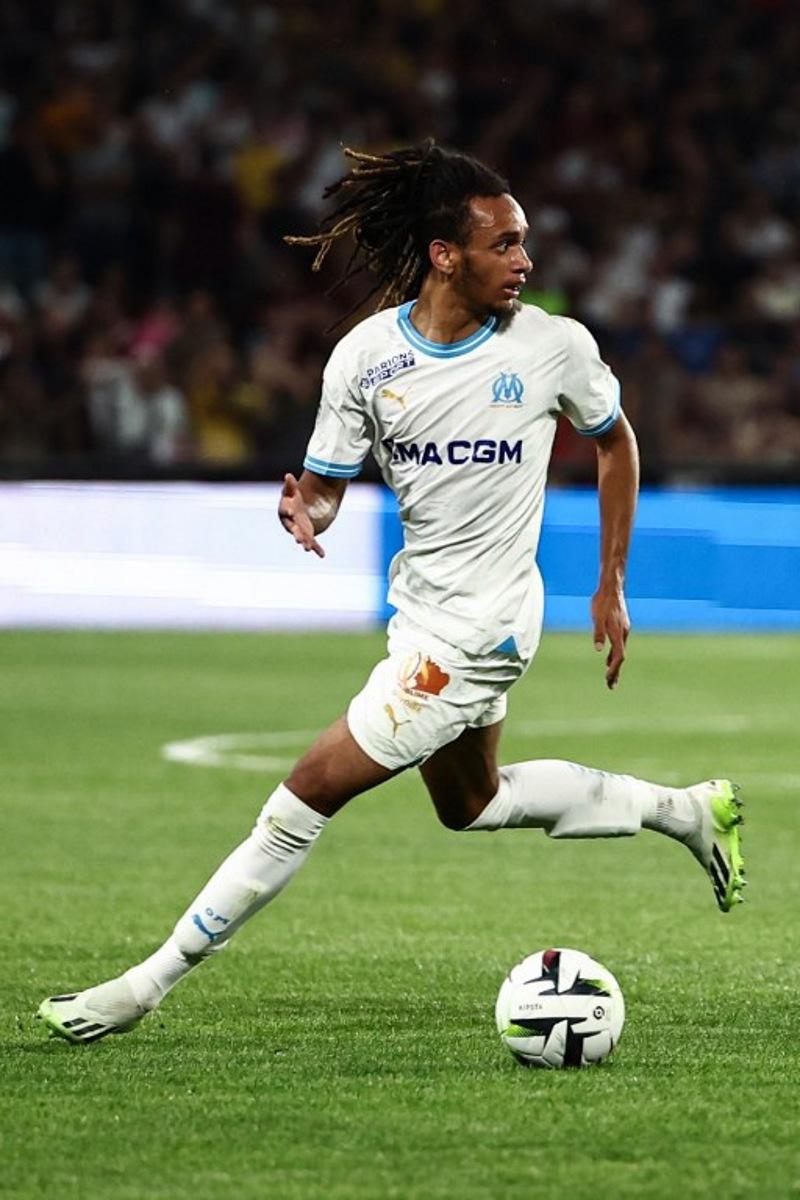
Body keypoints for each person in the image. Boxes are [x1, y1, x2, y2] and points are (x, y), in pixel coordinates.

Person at [37, 143, 745, 1045]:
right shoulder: (366, 358)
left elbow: (616, 443)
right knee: (471, 804)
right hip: (421, 611)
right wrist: (312, 507)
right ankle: (688, 811)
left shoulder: (553, 348)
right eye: (506, 244)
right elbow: (330, 479)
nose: (525, 262)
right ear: (447, 253)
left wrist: (611, 583)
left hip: (484, 630)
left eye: (525, 242)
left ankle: (144, 986)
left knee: (303, 796)